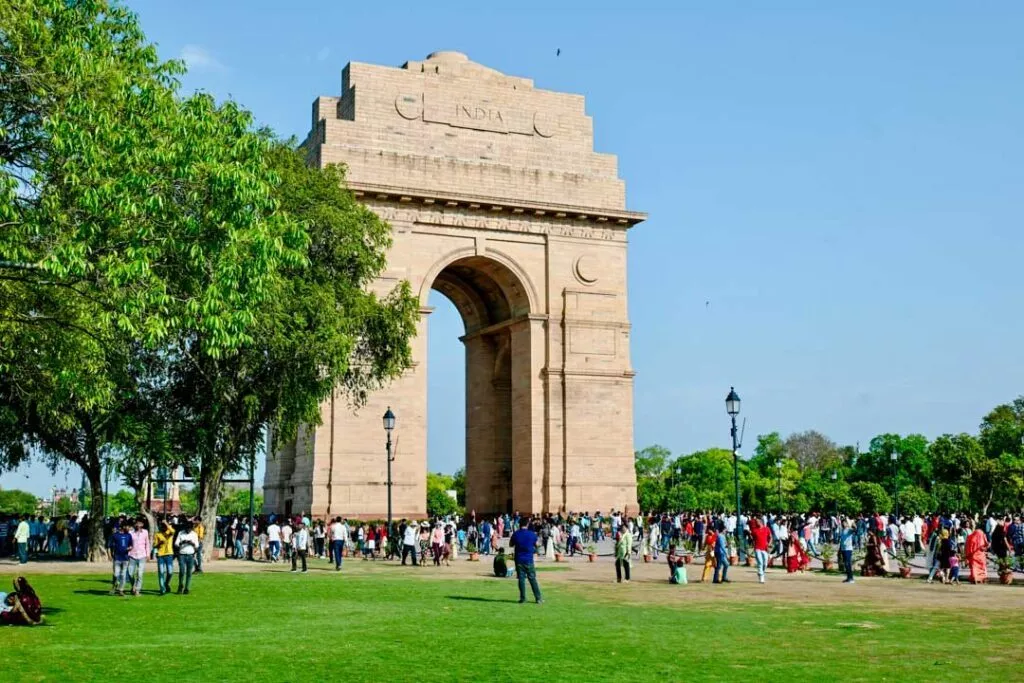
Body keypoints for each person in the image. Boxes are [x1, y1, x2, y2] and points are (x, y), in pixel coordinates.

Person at [509, 518, 542, 604]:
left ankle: (523, 598)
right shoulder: (532, 534)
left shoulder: (516, 534)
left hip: (519, 559)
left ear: (519, 524)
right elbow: (537, 544)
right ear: (527, 524)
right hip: (529, 560)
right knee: (532, 579)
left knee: (521, 579)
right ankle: (538, 598)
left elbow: (510, 544)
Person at [174, 520, 200, 594]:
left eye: (189, 528)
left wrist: (192, 543)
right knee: (182, 571)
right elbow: (176, 544)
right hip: (182, 554)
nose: (188, 530)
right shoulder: (181, 533)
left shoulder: (194, 534)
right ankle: (180, 585)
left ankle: (187, 587)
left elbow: (197, 546)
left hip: (190, 555)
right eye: (187, 528)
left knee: (189, 572)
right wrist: (182, 542)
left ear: (191, 528)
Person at [108, 521, 133, 597]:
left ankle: (121, 590)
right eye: (128, 526)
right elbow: (109, 546)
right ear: (123, 527)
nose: (129, 528)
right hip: (117, 558)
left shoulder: (129, 535)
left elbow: (131, 545)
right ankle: (114, 586)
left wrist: (129, 548)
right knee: (116, 574)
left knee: (123, 575)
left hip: (125, 558)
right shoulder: (115, 535)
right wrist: (109, 555)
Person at [128, 517, 150, 596]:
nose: (138, 524)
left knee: (140, 574)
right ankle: (133, 586)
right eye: (137, 523)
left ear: (142, 524)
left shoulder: (145, 532)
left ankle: (137, 589)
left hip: (142, 555)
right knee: (130, 573)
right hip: (132, 555)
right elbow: (128, 543)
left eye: (140, 523)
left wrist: (148, 554)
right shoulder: (131, 533)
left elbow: (147, 543)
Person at [154, 520, 176, 595]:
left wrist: (167, 523)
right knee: (161, 572)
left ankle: (166, 583)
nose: (163, 528)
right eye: (162, 526)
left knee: (170, 572)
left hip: (169, 554)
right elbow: (155, 546)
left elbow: (173, 531)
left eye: (164, 526)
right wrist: (160, 543)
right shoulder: (158, 534)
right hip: (161, 555)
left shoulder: (169, 533)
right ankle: (162, 589)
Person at [750, 518, 770, 584]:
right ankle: (761, 577)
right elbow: (752, 539)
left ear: (761, 522)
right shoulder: (754, 530)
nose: (756, 523)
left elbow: (770, 537)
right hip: (757, 548)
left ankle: (761, 573)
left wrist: (769, 544)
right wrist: (753, 545)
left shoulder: (766, 529)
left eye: (757, 521)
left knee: (765, 563)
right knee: (760, 562)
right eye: (756, 522)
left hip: (765, 548)